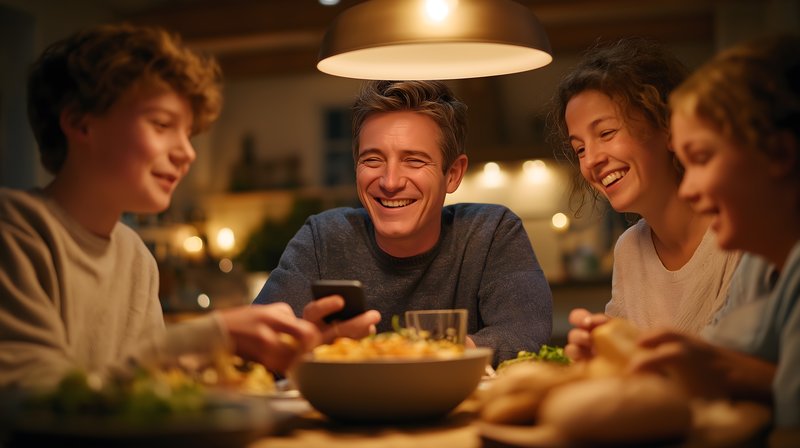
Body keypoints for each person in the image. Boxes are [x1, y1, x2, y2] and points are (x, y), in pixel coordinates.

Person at [0, 23, 319, 391]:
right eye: (162, 124)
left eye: (188, 133)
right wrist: (208, 335)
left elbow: (146, 390)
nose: (187, 153)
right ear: (80, 123)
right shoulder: (17, 230)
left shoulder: (135, 257)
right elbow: (31, 399)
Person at [254, 80, 553, 366]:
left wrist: (416, 353)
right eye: (372, 160)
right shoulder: (323, 238)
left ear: (452, 174)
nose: (390, 182)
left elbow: (525, 337)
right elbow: (254, 344)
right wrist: (303, 343)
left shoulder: (491, 232)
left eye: (414, 160)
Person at [630, 34, 800, 430]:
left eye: (702, 158)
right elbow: (722, 362)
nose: (688, 188)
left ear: (778, 155)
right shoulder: (760, 261)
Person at [547, 38, 741, 360]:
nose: (591, 160)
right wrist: (599, 355)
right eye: (579, 148)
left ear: (667, 126)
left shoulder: (740, 234)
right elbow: (628, 370)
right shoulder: (629, 250)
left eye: (606, 133)